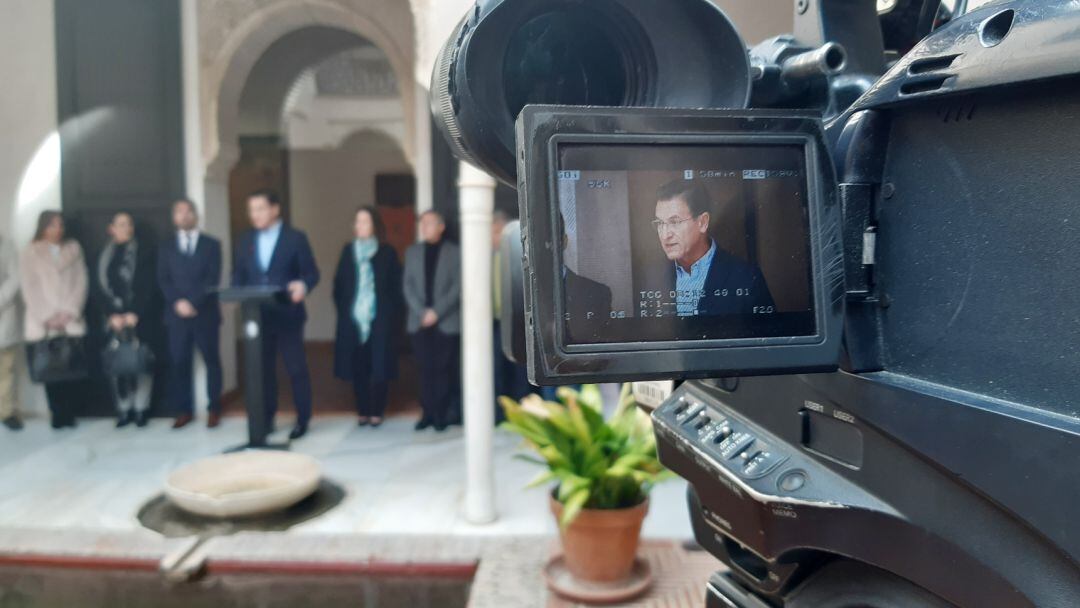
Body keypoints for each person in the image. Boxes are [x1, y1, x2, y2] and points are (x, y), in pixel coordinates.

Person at [232, 190, 319, 440]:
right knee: (262, 370)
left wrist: (303, 285)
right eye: (251, 210)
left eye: (260, 208)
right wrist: (234, 293)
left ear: (275, 209)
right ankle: (266, 418)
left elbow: (311, 273)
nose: (255, 215)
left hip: (288, 313)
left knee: (295, 368)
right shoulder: (245, 240)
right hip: (257, 316)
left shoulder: (295, 238)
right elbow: (238, 274)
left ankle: (303, 418)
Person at [653, 180, 774, 316]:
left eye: (674, 222)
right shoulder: (653, 279)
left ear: (703, 222)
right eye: (660, 223)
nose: (665, 235)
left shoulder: (747, 278)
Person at [332, 206, 403, 427]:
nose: (360, 226)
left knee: (378, 365)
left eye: (365, 221)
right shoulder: (348, 251)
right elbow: (338, 285)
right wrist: (346, 311)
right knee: (358, 366)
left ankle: (377, 410)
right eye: (357, 222)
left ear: (374, 225)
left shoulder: (387, 252)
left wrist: (388, 313)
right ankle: (362, 410)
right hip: (353, 320)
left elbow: (395, 288)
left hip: (379, 318)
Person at [158, 199, 223, 429]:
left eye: (188, 211)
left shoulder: (212, 245)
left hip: (205, 313)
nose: (184, 216)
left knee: (211, 361)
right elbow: (163, 279)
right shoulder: (165, 247)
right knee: (179, 362)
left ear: (196, 215)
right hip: (176, 316)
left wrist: (194, 302)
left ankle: (214, 408)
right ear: (174, 217)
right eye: (179, 212)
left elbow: (212, 278)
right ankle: (183, 410)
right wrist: (178, 302)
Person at [20, 211, 88, 429]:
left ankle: (70, 412)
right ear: (43, 228)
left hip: (69, 317)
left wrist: (69, 311)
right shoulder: (31, 252)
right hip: (44, 320)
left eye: (60, 225)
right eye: (52, 225)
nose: (57, 229)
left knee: (70, 366)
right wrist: (47, 315)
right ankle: (56, 413)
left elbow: (81, 281)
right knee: (50, 370)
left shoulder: (73, 248)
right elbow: (29, 286)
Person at [96, 212, 157, 427]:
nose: (126, 228)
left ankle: (141, 408)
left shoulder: (144, 252)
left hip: (138, 317)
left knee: (139, 361)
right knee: (118, 364)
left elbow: (149, 286)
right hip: (113, 319)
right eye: (121, 224)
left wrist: (134, 313)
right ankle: (124, 409)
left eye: (129, 224)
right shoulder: (103, 255)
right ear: (111, 228)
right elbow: (99, 288)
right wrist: (112, 314)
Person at [404, 211, 461, 432]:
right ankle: (426, 413)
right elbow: (407, 286)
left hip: (445, 322)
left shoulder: (454, 253)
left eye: (429, 223)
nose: (424, 227)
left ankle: (441, 414)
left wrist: (436, 312)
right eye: (422, 223)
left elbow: (457, 287)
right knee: (424, 370)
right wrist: (422, 313)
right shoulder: (412, 252)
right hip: (419, 322)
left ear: (441, 226)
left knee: (443, 370)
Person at [491, 211, 530, 422]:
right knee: (497, 370)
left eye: (496, 231)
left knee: (520, 371)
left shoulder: (518, 257)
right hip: (495, 324)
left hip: (520, 322)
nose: (492, 236)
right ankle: (500, 414)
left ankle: (523, 414)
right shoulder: (484, 258)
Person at [0, 233, 21, 431]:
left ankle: (6, 412)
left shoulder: (6, 244)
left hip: (3, 314)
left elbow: (15, 277)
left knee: (6, 370)